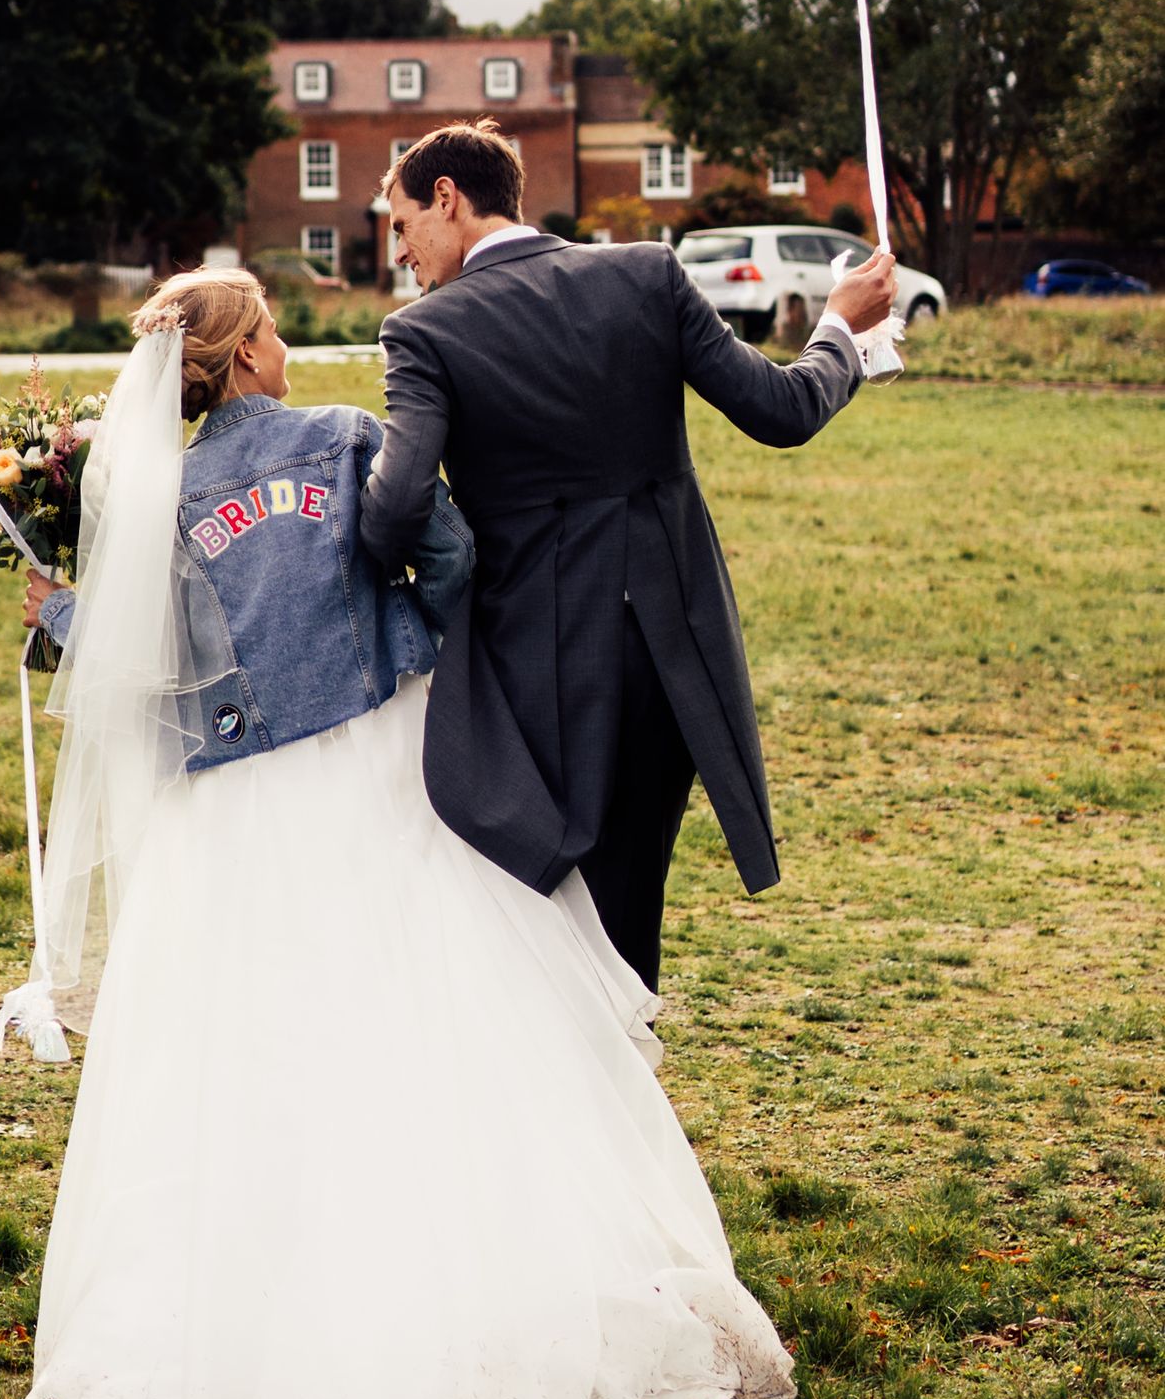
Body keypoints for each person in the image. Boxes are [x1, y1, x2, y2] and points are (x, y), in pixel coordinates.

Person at [8, 265, 799, 1399]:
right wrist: (412, 632)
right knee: (437, 1000)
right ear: (245, 354)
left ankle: (274, 1300)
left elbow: (147, 656)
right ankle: (482, 1266)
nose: (284, 348)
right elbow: (452, 551)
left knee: (260, 1039)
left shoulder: (166, 497)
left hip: (236, 803)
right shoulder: (343, 437)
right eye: (272, 330)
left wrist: (59, 613)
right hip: (380, 758)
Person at [360, 119, 898, 990]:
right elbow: (784, 410)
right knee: (628, 896)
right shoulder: (648, 273)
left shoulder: (422, 332)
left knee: (526, 900)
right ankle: (625, 1049)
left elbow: (395, 510)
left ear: (448, 198)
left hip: (529, 658)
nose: (400, 251)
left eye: (402, 224)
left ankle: (572, 1064)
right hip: (671, 654)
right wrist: (840, 325)